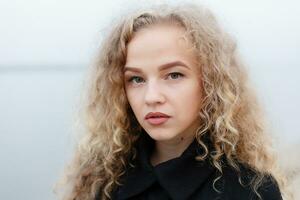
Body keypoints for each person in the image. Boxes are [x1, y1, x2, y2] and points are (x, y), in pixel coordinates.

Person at [57, 3, 288, 200]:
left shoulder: (250, 190)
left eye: (174, 75)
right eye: (136, 79)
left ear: (210, 82)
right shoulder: (102, 181)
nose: (152, 97)